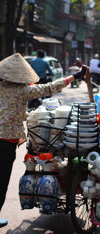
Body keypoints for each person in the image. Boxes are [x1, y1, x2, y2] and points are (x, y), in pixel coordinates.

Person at [0, 53, 88, 228]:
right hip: (6, 144)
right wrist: (75, 76)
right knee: (1, 182)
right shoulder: (23, 90)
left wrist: (28, 116)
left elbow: (9, 112)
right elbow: (49, 88)